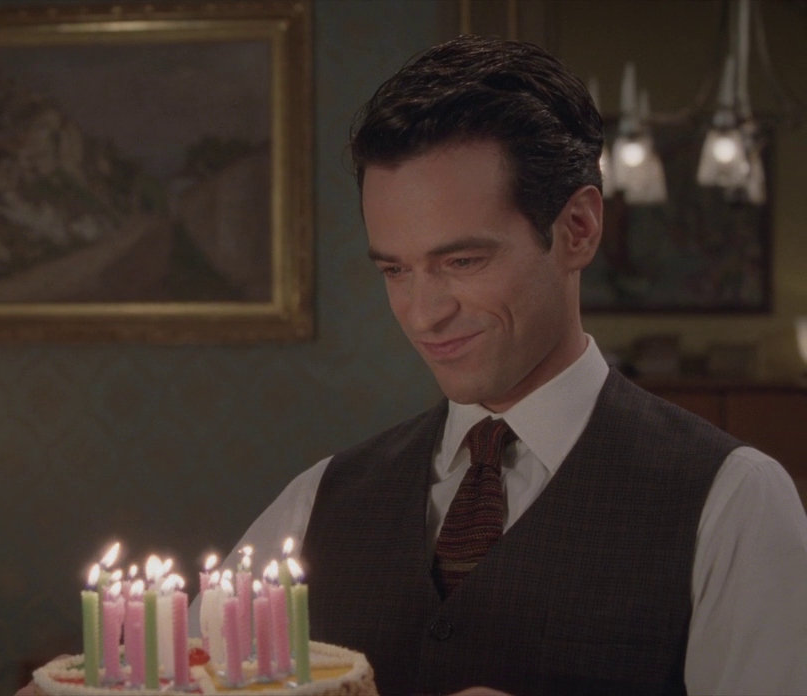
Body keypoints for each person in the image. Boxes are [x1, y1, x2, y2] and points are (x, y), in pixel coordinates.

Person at [221, 34, 807, 695]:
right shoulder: (316, 502)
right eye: (395, 270)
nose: (423, 315)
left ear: (578, 229)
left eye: (462, 261)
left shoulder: (734, 503)